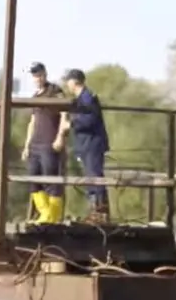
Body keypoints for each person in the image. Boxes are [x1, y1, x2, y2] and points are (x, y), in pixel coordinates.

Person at [57, 69, 110, 224]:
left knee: (95, 177)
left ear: (74, 82)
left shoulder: (87, 98)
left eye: (68, 81)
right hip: (86, 144)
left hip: (92, 144)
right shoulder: (83, 98)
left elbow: (90, 120)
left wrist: (71, 123)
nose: (67, 84)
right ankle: (96, 212)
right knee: (90, 178)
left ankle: (100, 213)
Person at [22, 62, 67, 224]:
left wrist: (60, 136)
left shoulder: (55, 91)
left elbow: (64, 114)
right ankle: (44, 212)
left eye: (39, 74)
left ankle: (53, 216)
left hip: (49, 143)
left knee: (51, 179)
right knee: (33, 179)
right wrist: (27, 145)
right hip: (35, 143)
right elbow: (32, 122)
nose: (37, 78)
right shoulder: (35, 97)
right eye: (34, 75)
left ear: (45, 74)